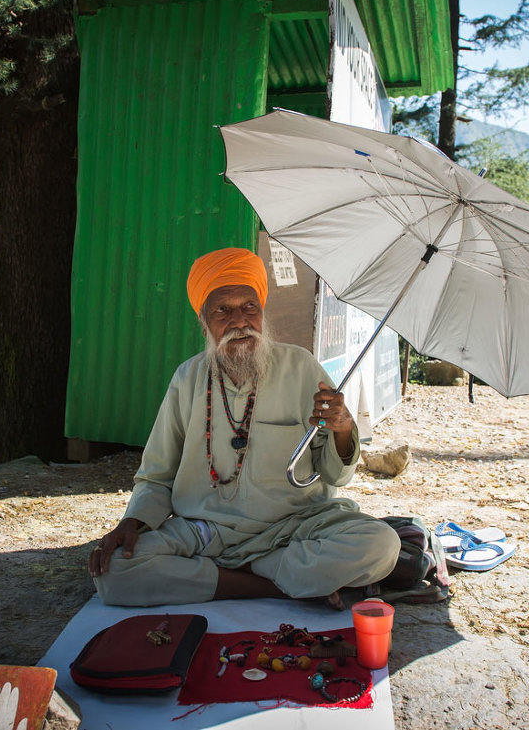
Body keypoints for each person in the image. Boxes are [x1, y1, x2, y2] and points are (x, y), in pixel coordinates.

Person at [90, 247, 400, 608]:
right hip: (207, 532)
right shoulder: (188, 378)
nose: (239, 321)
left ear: (263, 313)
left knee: (381, 545)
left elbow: (336, 475)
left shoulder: (300, 367)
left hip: (294, 528)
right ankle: (271, 584)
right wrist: (134, 520)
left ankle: (229, 576)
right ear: (203, 321)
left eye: (249, 307)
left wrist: (344, 429)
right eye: (222, 310)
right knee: (113, 575)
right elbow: (156, 476)